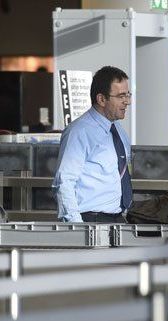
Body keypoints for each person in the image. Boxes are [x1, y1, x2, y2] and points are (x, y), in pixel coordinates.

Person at [53, 66, 133, 223]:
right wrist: (77, 227)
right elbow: (64, 182)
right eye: (121, 96)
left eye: (128, 95)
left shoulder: (119, 132)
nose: (127, 102)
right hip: (90, 220)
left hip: (117, 219)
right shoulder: (79, 131)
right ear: (101, 99)